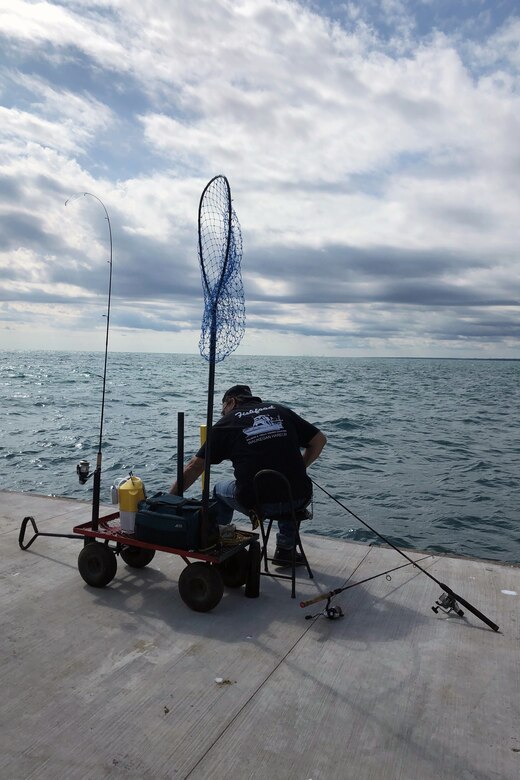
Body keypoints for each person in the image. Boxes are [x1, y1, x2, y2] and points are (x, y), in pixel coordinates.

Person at [170, 384, 326, 564]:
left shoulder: (226, 423)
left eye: (223, 410)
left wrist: (170, 498)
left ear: (231, 402)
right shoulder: (281, 411)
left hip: (259, 503)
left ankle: (217, 542)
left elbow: (194, 467)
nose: (223, 415)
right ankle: (285, 549)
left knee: (219, 490)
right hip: (299, 498)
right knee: (289, 486)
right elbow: (320, 441)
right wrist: (301, 467)